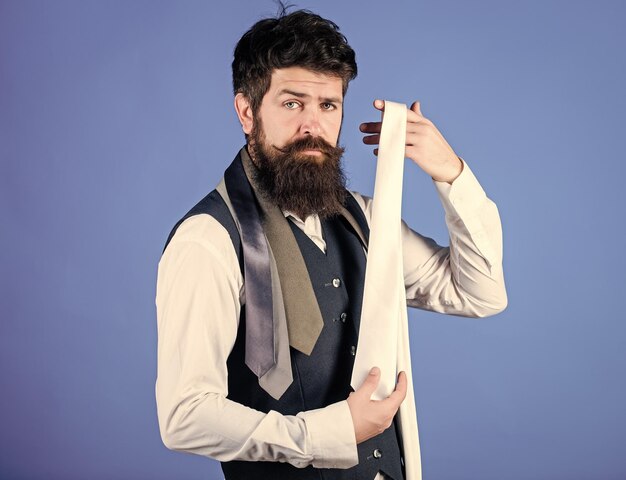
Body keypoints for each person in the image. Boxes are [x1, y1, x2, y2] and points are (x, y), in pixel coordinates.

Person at [155, 6, 507, 480]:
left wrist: (450, 172)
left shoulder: (362, 217)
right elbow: (185, 416)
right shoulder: (208, 240)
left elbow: (480, 292)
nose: (313, 127)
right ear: (246, 111)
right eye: (292, 103)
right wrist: (330, 431)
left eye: (328, 105)